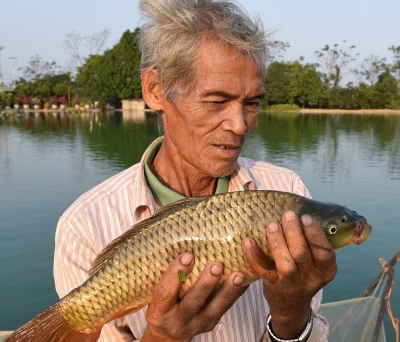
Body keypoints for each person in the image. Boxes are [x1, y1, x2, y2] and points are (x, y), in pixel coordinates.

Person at [53, 0, 337, 341]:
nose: (240, 124)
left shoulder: (284, 191)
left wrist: (291, 314)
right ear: (155, 89)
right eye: (217, 101)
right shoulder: (86, 225)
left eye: (253, 103)